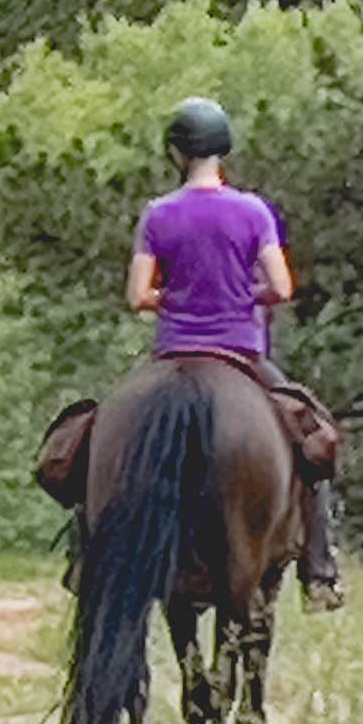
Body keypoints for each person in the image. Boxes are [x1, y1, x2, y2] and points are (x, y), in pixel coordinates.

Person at [131, 95, 343, 608]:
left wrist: (174, 297)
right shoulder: (253, 211)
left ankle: (84, 554)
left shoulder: (158, 214)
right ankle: (320, 570)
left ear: (177, 153)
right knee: (312, 441)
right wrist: (241, 296)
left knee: (104, 441)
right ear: (222, 151)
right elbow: (282, 287)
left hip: (174, 352)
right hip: (242, 354)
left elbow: (138, 296)